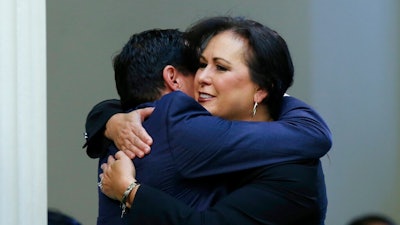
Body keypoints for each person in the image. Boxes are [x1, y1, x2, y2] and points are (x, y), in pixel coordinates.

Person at [90, 16, 332, 224]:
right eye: (202, 64)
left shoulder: (295, 172)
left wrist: (130, 191)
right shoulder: (161, 122)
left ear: (261, 88)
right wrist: (110, 119)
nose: (202, 77)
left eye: (221, 68)